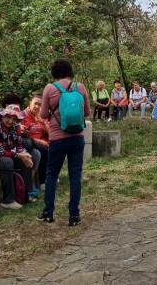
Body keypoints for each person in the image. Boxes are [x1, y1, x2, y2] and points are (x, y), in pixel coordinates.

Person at [38, 59, 91, 226]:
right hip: (77, 137)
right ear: (70, 71)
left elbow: (43, 114)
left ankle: (48, 212)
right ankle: (74, 215)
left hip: (57, 138)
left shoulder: (49, 88)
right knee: (75, 175)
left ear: (54, 72)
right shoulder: (80, 87)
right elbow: (88, 112)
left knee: (52, 174)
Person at [0, 104, 39, 209]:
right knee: (7, 162)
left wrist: (24, 154)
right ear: (3, 116)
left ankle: (26, 195)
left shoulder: (15, 127)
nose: (11, 121)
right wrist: (18, 155)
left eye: (14, 119)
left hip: (6, 152)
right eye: (8, 117)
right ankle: (8, 200)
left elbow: (18, 144)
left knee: (25, 160)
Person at [22, 94, 50, 192]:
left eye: (40, 105)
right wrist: (38, 141)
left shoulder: (42, 115)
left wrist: (43, 122)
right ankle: (43, 181)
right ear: (30, 103)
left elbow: (51, 133)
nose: (36, 107)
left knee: (56, 146)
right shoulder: (23, 115)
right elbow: (21, 135)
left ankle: (52, 176)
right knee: (44, 150)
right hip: (29, 143)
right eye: (35, 104)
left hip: (43, 143)